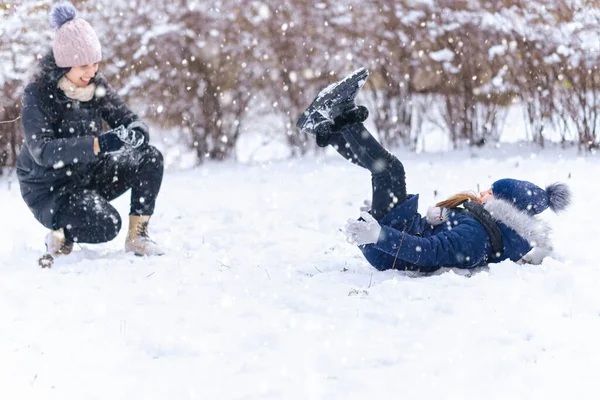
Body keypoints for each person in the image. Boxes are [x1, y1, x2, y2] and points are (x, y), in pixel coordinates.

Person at [297, 69, 572, 273]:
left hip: (390, 251)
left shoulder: (476, 236)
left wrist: (378, 235)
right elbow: (434, 237)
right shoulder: (480, 224)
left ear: (505, 208)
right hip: (403, 234)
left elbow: (429, 252)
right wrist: (437, 218)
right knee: (383, 170)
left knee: (391, 170)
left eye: (491, 192)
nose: (483, 191)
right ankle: (327, 126)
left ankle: (340, 113)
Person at [17, 2, 164, 260]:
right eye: (84, 66)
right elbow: (42, 150)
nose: (92, 71)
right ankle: (60, 234)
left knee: (149, 157)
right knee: (107, 225)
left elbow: (127, 118)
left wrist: (137, 132)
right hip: (51, 189)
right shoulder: (38, 93)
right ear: (65, 65)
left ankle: (137, 237)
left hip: (87, 174)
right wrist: (98, 144)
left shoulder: (95, 85)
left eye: (95, 63)